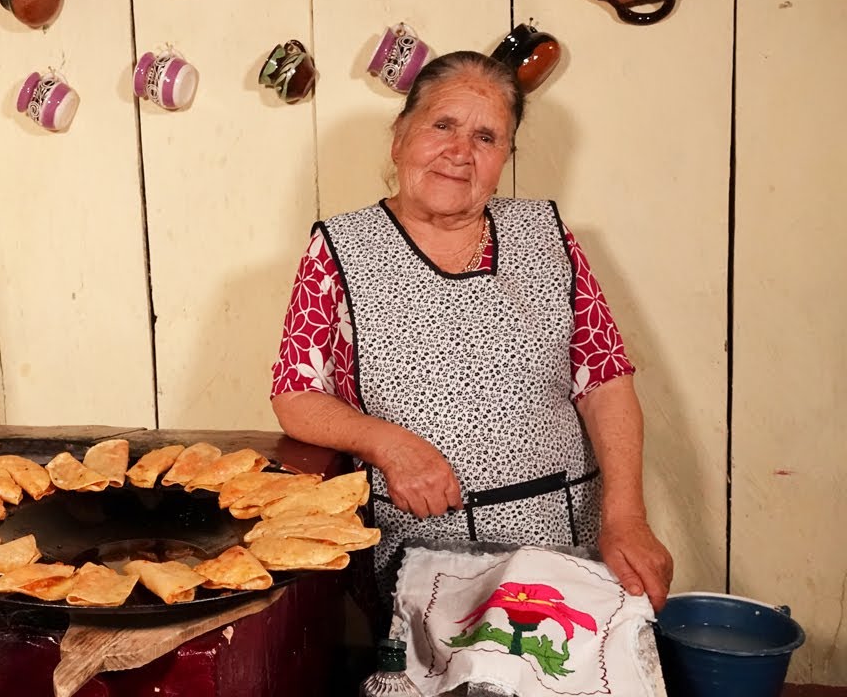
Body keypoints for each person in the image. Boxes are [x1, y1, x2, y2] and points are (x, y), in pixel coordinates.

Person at [270, 51, 673, 613]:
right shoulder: (341, 249)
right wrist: (389, 444)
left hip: (560, 541)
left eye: (486, 137)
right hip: (419, 553)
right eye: (442, 126)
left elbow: (604, 379)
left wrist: (627, 518)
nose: (460, 152)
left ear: (505, 156)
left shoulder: (545, 234)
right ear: (399, 136)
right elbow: (296, 394)